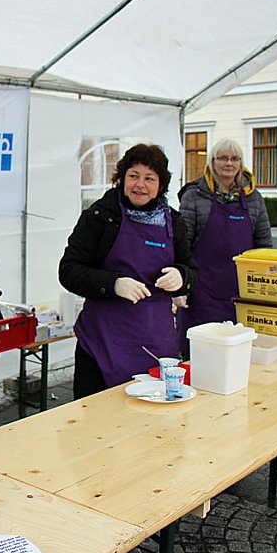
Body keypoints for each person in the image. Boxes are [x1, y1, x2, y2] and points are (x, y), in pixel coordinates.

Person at [59, 144, 197, 399]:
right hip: (101, 343)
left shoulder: (173, 221)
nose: (140, 185)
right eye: (133, 176)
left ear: (161, 184)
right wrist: (113, 284)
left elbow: (190, 267)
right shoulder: (100, 217)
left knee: (149, 425)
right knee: (95, 423)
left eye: (149, 178)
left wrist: (182, 276)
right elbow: (68, 270)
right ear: (122, 178)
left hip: (154, 344)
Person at [176, 138, 272, 355]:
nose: (229, 163)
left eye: (234, 158)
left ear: (241, 163)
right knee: (199, 353)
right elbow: (182, 245)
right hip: (201, 294)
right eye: (222, 158)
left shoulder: (254, 198)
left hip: (240, 294)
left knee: (235, 354)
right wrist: (181, 287)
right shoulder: (194, 196)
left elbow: (264, 246)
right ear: (212, 161)